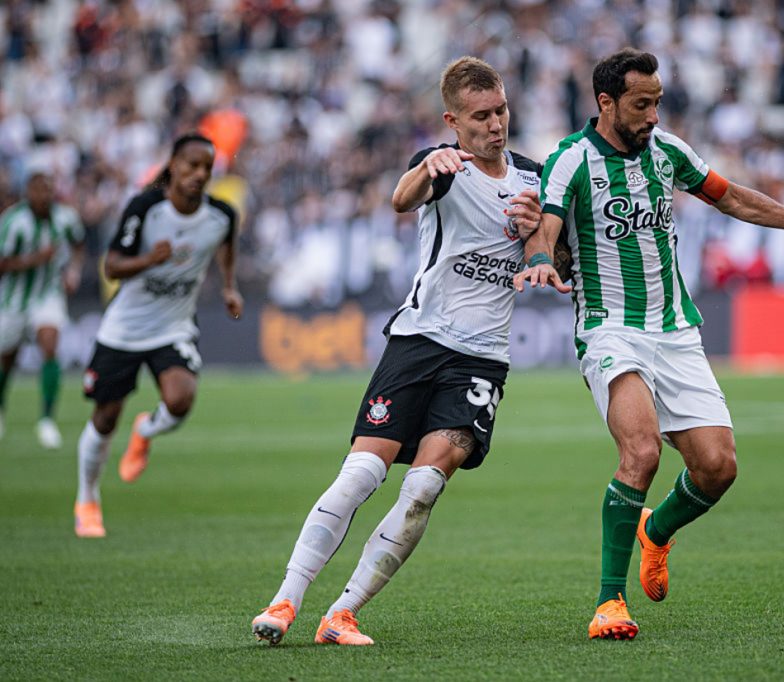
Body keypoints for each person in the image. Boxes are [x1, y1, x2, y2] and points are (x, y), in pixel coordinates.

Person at [514, 48, 784, 640]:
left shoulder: (668, 151)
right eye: (640, 104)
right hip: (610, 327)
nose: (653, 115)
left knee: (718, 468)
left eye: (657, 102)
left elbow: (730, 196)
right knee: (643, 452)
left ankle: (658, 531)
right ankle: (609, 602)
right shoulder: (571, 160)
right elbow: (544, 225)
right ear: (606, 103)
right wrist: (542, 261)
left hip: (675, 328)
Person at [251, 56, 543, 647]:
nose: (495, 124)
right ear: (453, 121)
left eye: (501, 111)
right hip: (418, 340)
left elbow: (553, 257)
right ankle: (286, 598)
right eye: (480, 116)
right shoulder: (441, 166)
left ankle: (343, 614)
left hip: (481, 359)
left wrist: (542, 240)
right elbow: (401, 199)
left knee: (425, 487)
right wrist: (428, 166)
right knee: (362, 472)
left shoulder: (535, 179)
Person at [73, 133, 243, 538]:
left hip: (173, 326)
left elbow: (227, 249)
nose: (199, 174)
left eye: (206, 168)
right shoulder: (145, 208)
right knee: (105, 416)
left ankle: (145, 431)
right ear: (172, 166)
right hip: (125, 328)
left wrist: (228, 286)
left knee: (181, 400)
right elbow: (111, 266)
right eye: (191, 165)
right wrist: (150, 259)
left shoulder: (221, 215)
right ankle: (87, 499)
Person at [0, 169, 85, 449]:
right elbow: (2, 264)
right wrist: (36, 259)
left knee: (50, 345)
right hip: (13, 299)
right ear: (28, 193)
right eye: (38, 190)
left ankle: (46, 420)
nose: (44, 196)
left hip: (48, 294)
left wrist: (73, 271)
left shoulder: (65, 218)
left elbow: (78, 243)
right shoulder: (13, 221)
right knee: (7, 359)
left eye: (48, 190)